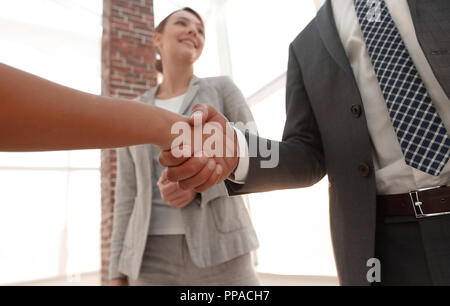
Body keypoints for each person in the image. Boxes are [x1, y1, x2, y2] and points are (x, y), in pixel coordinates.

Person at [159, 0, 450, 285]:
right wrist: (238, 154)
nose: (193, 32)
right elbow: (306, 153)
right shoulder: (306, 46)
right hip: (383, 245)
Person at [108, 7, 260, 286]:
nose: (194, 31)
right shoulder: (133, 109)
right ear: (157, 38)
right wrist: (116, 271)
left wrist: (199, 186)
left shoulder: (222, 89)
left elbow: (255, 155)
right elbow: (127, 193)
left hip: (222, 250)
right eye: (182, 23)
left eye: (200, 29)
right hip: (148, 259)